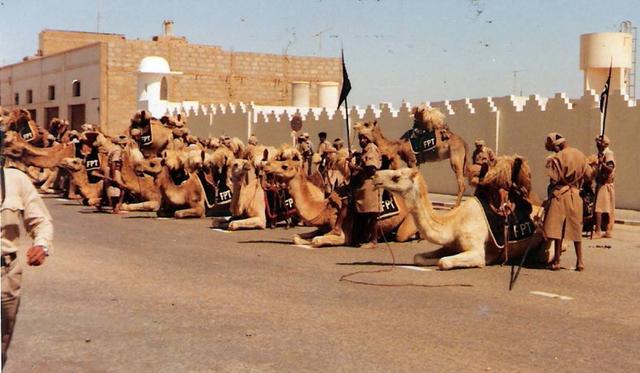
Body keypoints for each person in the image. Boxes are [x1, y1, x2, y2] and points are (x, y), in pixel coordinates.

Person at [1, 130, 54, 367]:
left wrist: (41, 245)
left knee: (2, 340)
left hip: (6, 275)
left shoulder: (16, 180)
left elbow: (40, 220)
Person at [543, 133, 591, 271]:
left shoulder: (556, 158)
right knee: (576, 230)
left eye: (553, 148)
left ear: (557, 146)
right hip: (576, 195)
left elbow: (553, 180)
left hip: (560, 195)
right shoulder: (581, 155)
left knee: (558, 229)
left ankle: (557, 261)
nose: (554, 151)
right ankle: (580, 262)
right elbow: (589, 176)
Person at [350, 133, 382, 249]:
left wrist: (355, 168)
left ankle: (374, 241)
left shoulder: (371, 149)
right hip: (363, 185)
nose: (361, 140)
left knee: (372, 214)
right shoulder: (364, 150)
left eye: (364, 138)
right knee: (363, 212)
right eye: (360, 138)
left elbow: (371, 169)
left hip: (370, 184)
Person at [593, 135, 616, 238]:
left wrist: (602, 163)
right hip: (602, 183)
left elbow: (610, 168)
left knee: (599, 208)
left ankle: (598, 230)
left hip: (605, 185)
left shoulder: (608, 154)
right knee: (606, 208)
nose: (597, 145)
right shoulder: (601, 154)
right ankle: (607, 230)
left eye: (598, 143)